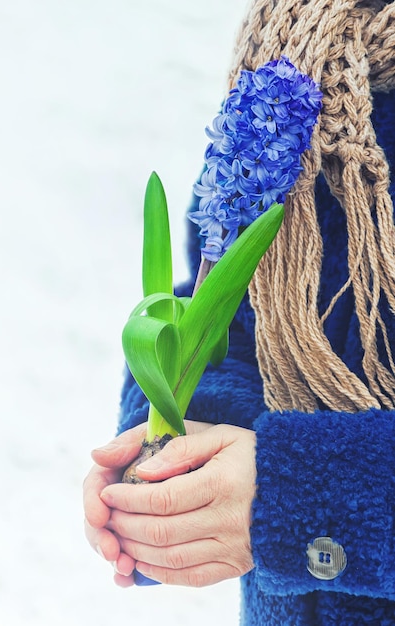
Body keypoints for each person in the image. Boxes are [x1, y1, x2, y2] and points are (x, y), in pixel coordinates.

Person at [83, 0, 395, 623]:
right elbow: (232, 305)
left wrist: (300, 496)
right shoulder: (294, 47)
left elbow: (284, 489)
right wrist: (182, 461)